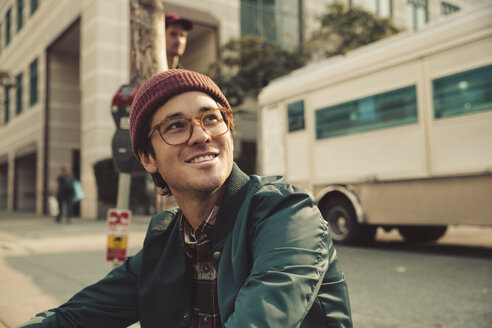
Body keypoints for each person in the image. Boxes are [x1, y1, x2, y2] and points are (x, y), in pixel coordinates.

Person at [20, 69, 352, 327]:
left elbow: (263, 316)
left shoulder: (287, 213)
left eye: (212, 118)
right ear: (148, 158)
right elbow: (77, 316)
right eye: (176, 126)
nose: (202, 135)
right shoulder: (164, 239)